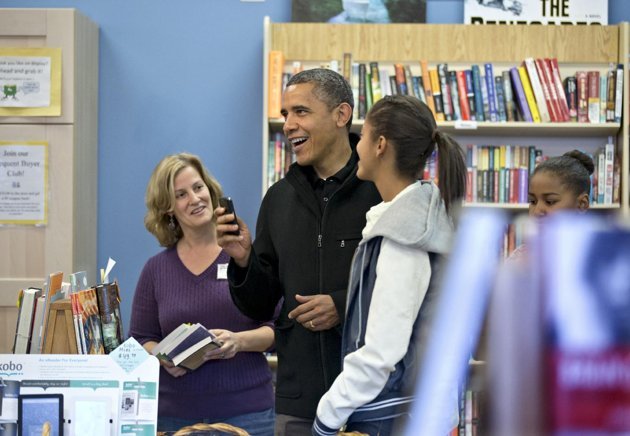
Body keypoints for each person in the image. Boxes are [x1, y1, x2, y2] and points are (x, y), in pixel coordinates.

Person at [216, 68, 381, 436]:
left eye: (300, 111)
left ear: (341, 115)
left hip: (371, 400)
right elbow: (259, 305)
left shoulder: (381, 191)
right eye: (285, 114)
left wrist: (341, 305)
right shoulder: (278, 199)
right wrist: (243, 260)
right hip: (299, 404)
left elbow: (410, 290)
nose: (289, 124)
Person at [311, 95, 467, 435]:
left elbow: (382, 352)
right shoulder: (417, 220)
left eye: (364, 136)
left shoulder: (404, 235)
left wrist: (327, 415)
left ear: (381, 145)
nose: (358, 147)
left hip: (389, 417)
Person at [129, 153, 275, 435]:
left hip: (249, 415)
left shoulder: (244, 256)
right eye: (181, 194)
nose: (194, 199)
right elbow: (140, 339)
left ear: (210, 189)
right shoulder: (156, 269)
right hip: (174, 418)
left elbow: (279, 328)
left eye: (198, 187)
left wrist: (238, 342)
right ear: (168, 208)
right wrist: (161, 357)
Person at [509, 149, 593, 260]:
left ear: (582, 205)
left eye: (550, 201)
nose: (537, 211)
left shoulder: (602, 260)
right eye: (533, 201)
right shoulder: (521, 257)